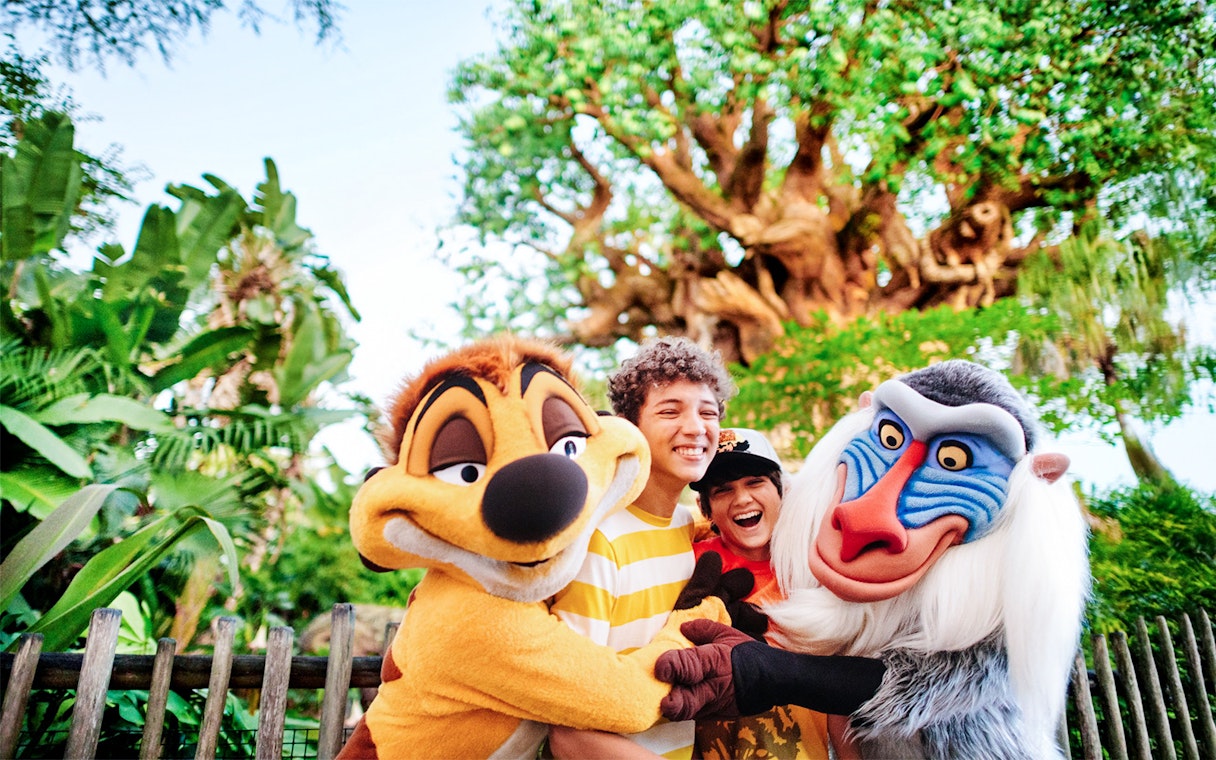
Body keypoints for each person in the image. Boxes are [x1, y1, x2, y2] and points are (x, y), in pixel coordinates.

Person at [547, 336, 735, 759]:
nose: (695, 427)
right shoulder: (599, 540)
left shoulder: (692, 530)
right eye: (670, 411)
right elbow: (567, 723)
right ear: (629, 429)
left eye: (708, 413)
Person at [688, 428, 833, 760]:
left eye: (755, 482)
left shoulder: (817, 564)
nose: (742, 499)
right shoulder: (688, 563)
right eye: (723, 490)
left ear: (782, 489)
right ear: (705, 508)